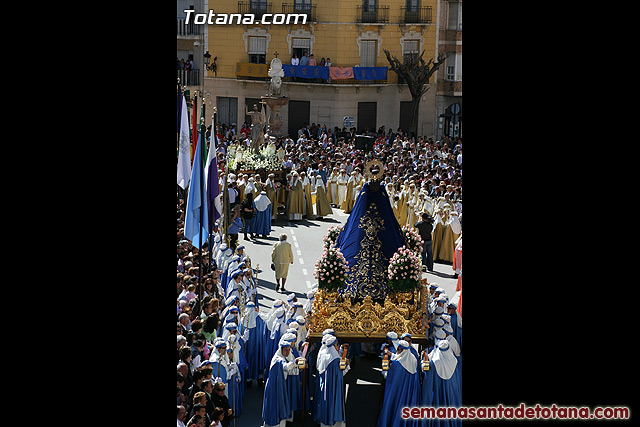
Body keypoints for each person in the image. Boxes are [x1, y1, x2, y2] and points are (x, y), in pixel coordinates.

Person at [377, 339, 421, 427]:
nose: (396, 351)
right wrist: (392, 354)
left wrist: (384, 371)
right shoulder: (413, 359)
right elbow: (401, 358)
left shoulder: (396, 364)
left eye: (398, 349)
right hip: (408, 391)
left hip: (397, 391)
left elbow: (389, 377)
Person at [314, 334, 348, 427]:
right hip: (333, 386)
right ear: (333, 346)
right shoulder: (335, 359)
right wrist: (347, 366)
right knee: (333, 404)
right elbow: (340, 374)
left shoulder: (324, 354)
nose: (338, 346)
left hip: (325, 384)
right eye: (337, 345)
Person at [262, 339, 297, 427]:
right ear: (281, 350)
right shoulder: (278, 360)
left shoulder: (281, 358)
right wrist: (295, 362)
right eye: (285, 350)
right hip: (275, 387)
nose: (287, 352)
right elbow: (286, 367)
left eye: (289, 350)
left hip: (279, 386)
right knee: (275, 408)